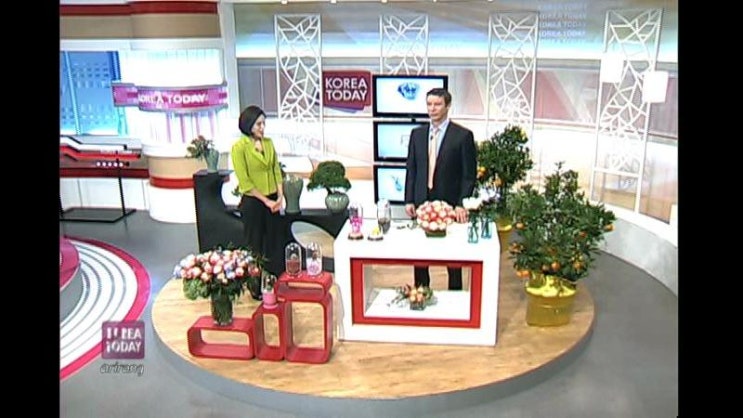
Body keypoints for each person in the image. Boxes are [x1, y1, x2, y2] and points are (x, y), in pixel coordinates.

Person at [404, 88, 477, 290]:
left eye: (437, 104)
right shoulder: (417, 134)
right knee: (420, 256)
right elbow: (411, 169)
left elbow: (469, 175)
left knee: (452, 258)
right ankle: (421, 292)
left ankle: (455, 293)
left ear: (447, 106)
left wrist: (462, 203)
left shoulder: (462, 136)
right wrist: (409, 199)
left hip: (450, 203)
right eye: (429, 104)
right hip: (422, 201)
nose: (432, 109)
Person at [231, 105, 284, 300]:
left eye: (263, 123)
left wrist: (280, 196)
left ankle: (274, 282)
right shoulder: (239, 148)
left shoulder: (268, 143)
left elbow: (276, 170)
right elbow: (245, 181)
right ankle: (255, 286)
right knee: (255, 245)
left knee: (274, 242)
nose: (262, 128)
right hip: (253, 202)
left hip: (272, 200)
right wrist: (265, 201)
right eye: (258, 124)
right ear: (248, 125)